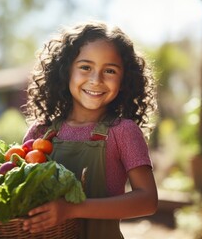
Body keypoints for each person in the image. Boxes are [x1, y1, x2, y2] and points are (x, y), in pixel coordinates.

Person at [21, 20, 158, 239]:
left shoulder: (122, 131)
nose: (96, 80)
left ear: (124, 80)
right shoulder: (41, 133)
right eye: (85, 67)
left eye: (110, 70)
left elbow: (147, 200)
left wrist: (72, 209)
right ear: (66, 72)